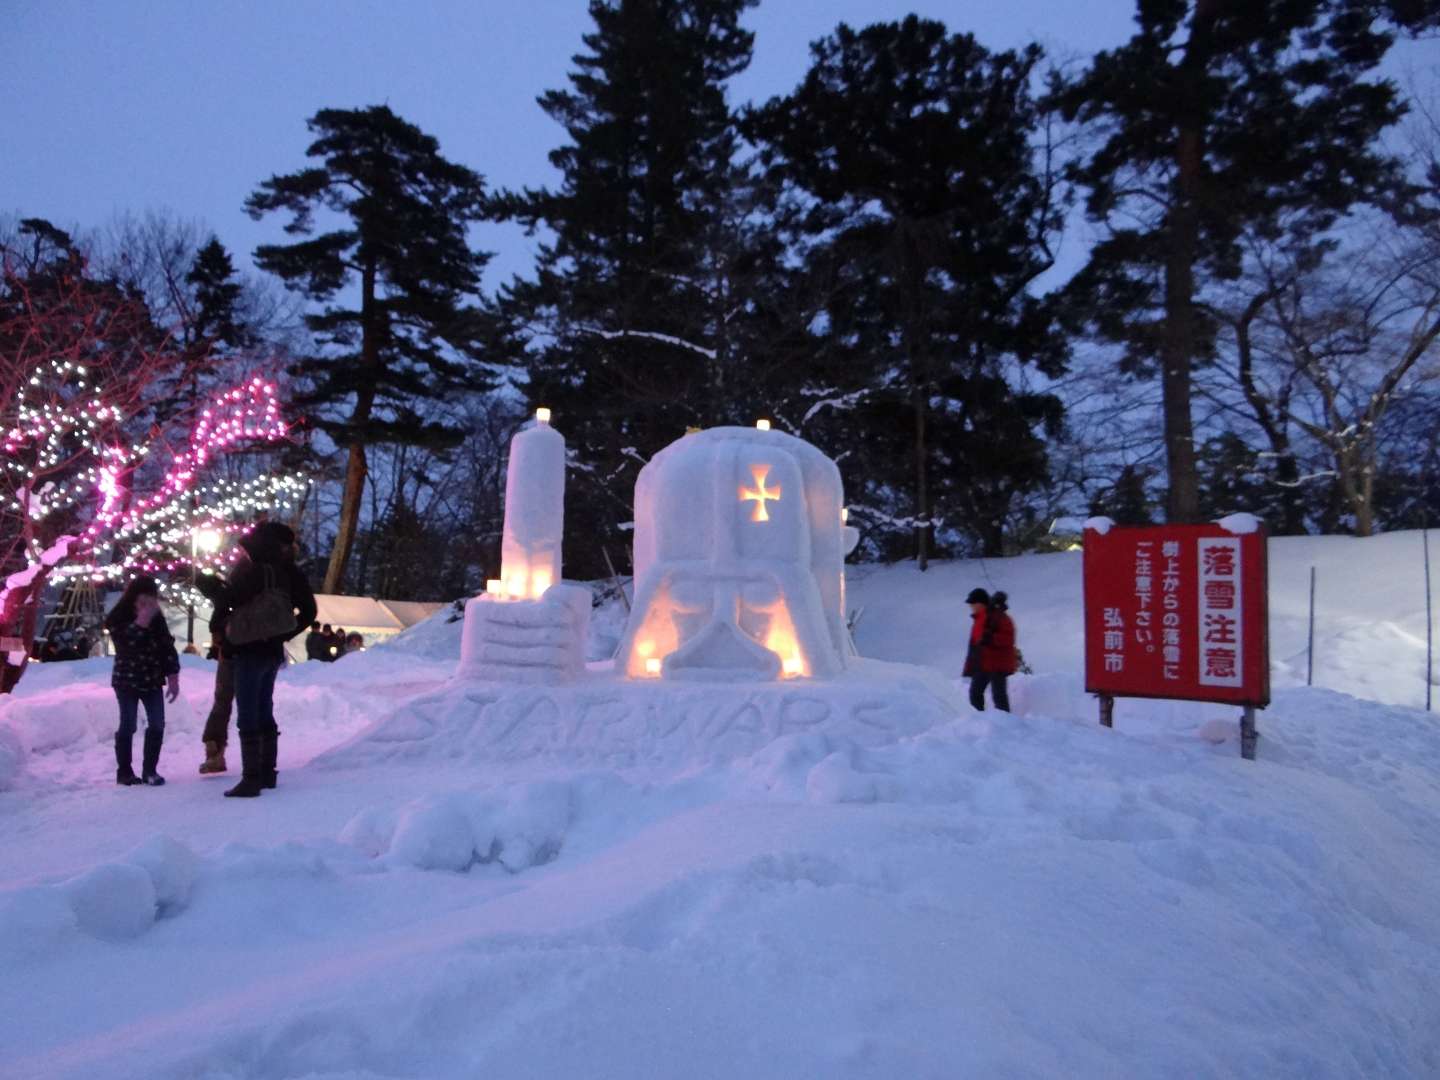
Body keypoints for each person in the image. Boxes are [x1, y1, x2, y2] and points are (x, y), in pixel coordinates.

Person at [213, 522, 316, 798]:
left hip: (247, 648)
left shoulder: (253, 571)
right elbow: (309, 611)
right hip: (271, 652)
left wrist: (221, 628)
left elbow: (227, 601)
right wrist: (282, 633)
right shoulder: (290, 573)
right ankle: (268, 772)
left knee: (247, 712)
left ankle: (251, 778)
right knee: (264, 707)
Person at [103, 576, 181, 786]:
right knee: (128, 725)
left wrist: (173, 676)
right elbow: (126, 643)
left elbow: (167, 647)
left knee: (157, 723)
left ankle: (150, 770)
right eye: (144, 598)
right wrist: (141, 621)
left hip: (152, 678)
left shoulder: (157, 619)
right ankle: (125, 771)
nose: (149, 603)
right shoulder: (119, 617)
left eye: (152, 599)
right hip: (127, 678)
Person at [194, 572, 237, 775]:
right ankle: (260, 757)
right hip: (252, 650)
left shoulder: (224, 596)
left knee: (222, 702)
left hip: (229, 653)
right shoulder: (236, 590)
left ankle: (214, 749)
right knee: (255, 702)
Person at [963, 588, 1017, 713]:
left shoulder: (999, 617)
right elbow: (973, 645)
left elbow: (1008, 638)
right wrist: (970, 666)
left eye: (972, 603)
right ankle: (979, 721)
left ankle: (1007, 723)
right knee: (975, 693)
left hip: (998, 663)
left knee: (999, 696)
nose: (970, 606)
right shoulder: (978, 620)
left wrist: (991, 639)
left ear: (980, 603)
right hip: (983, 664)